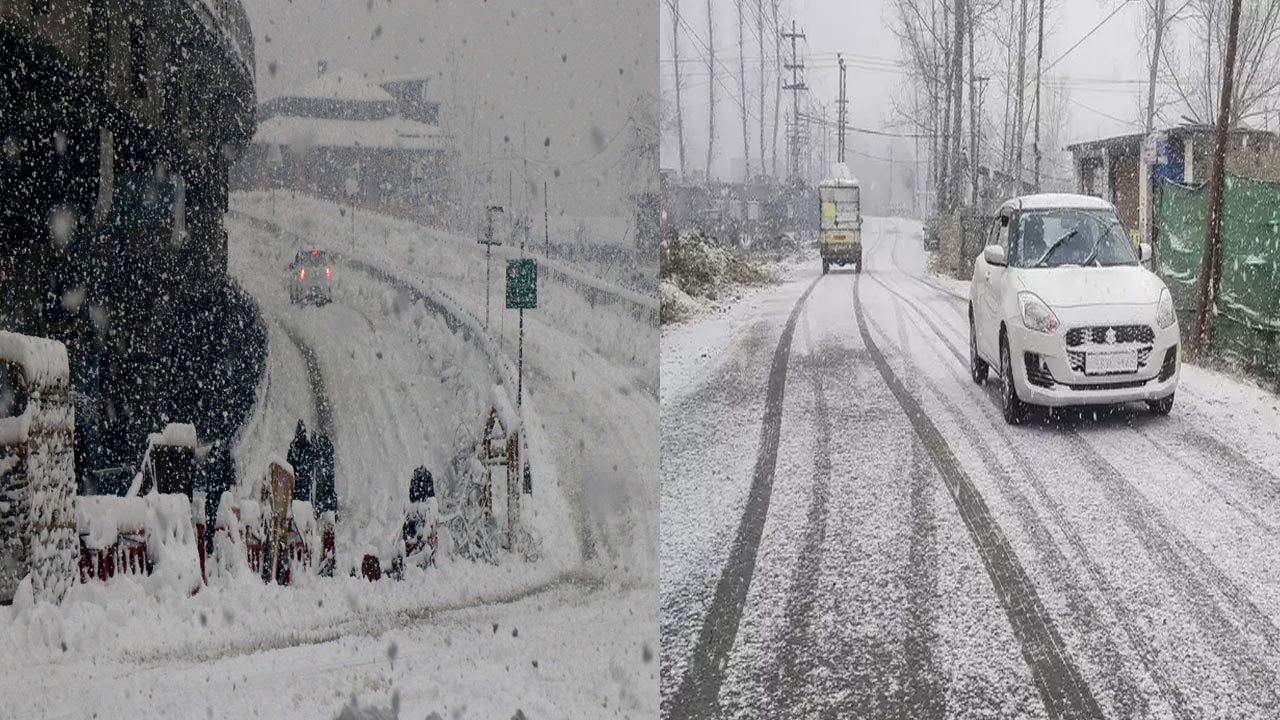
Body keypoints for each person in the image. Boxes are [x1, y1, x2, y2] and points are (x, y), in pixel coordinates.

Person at [287, 419, 312, 502]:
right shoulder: (307, 446)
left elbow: (289, 463)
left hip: (297, 480)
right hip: (302, 480)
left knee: (297, 502)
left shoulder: (293, 446)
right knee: (303, 501)